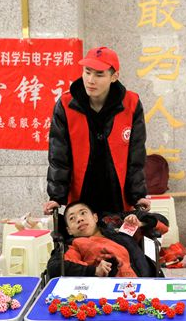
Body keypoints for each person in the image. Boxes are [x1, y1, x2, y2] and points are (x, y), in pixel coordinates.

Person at [44, 46, 150, 216]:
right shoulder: (65, 104)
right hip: (82, 194)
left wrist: (138, 195)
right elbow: (58, 155)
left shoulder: (131, 104)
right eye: (87, 72)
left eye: (99, 74)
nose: (90, 80)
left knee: (119, 233)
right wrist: (56, 196)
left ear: (114, 76)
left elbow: (136, 155)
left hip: (117, 194)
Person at [46, 201, 168, 279]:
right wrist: (94, 271)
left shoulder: (116, 224)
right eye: (72, 218)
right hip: (112, 295)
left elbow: (163, 223)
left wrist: (141, 223)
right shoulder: (73, 245)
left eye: (83, 213)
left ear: (95, 217)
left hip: (148, 282)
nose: (79, 219)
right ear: (69, 230)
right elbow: (55, 267)